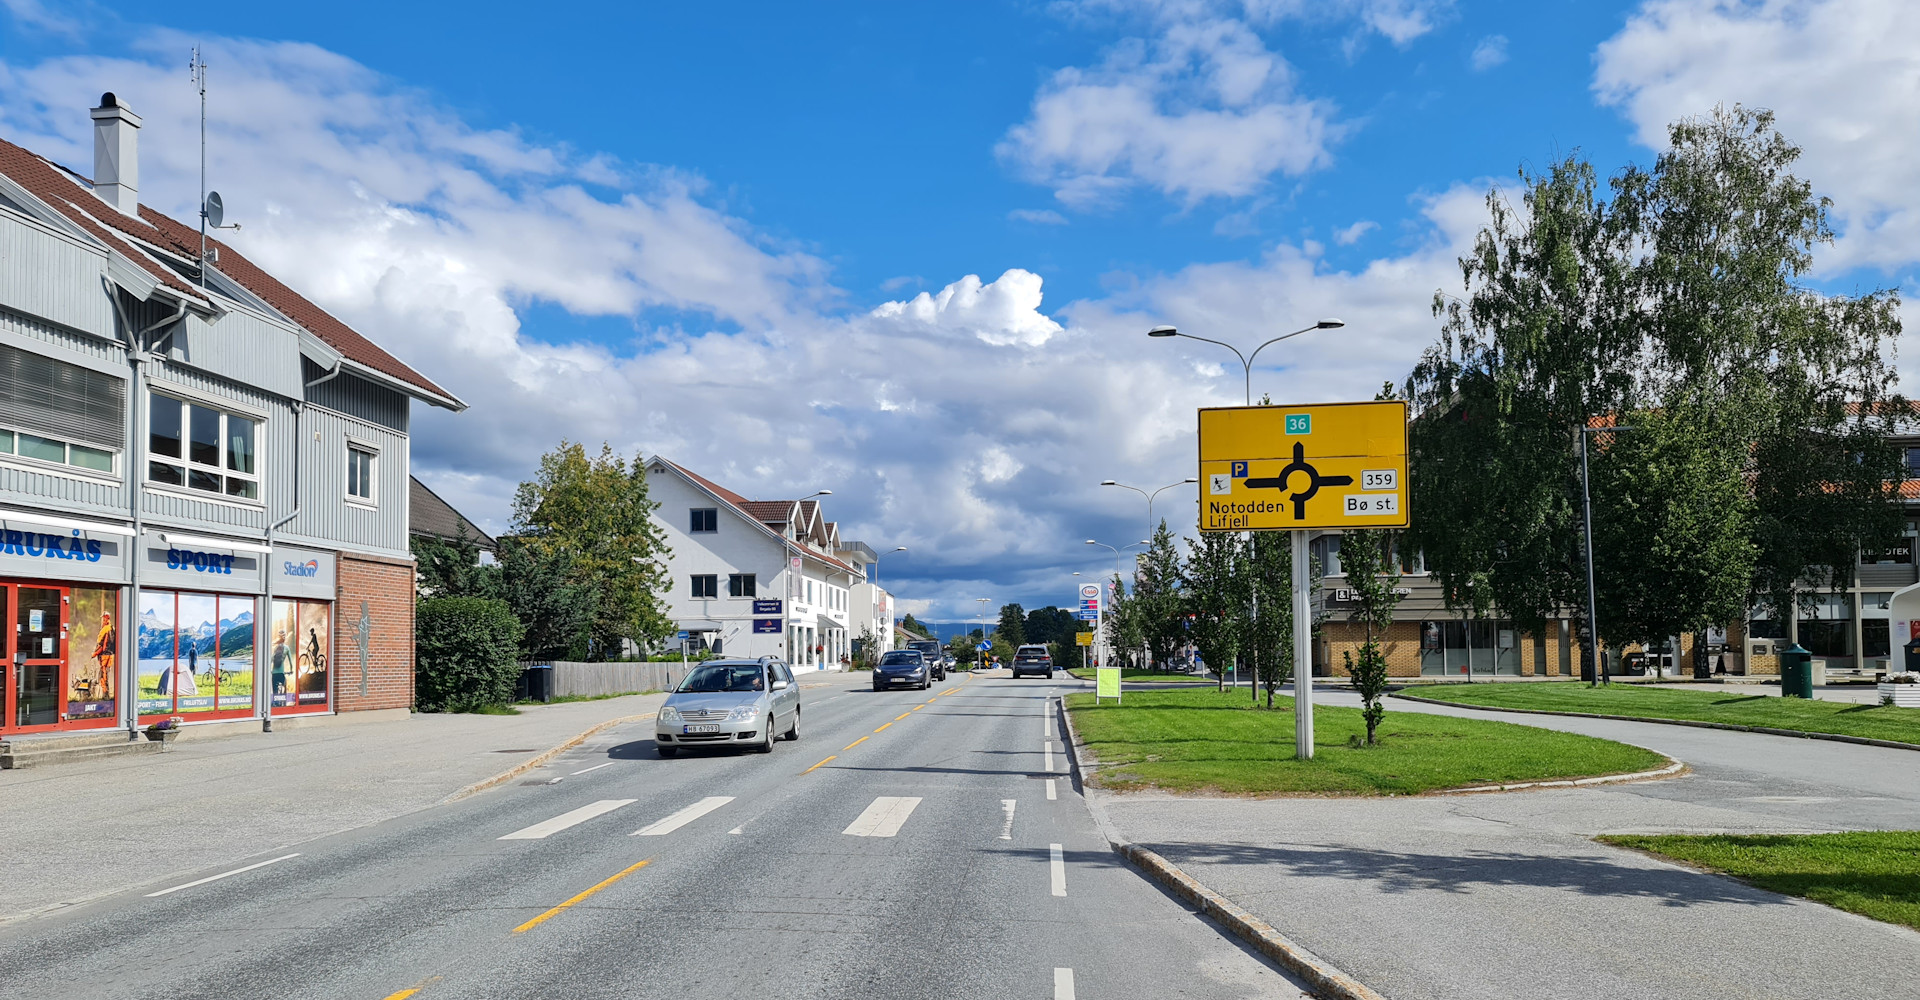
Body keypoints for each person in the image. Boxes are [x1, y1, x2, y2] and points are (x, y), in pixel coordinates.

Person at [92, 611, 116, 699]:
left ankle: (105, 695)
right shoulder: (112, 628)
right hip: (111, 656)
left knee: (103, 676)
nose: (102, 620)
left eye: (103, 618)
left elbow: (101, 644)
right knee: (106, 675)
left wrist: (94, 654)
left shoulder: (105, 629)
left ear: (106, 618)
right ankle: (107, 694)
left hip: (104, 656)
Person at [271, 630, 291, 697]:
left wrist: (269, 670)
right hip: (281, 673)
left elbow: (271, 659)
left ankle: (275, 700)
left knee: (275, 691)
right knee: (284, 685)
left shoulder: (276, 648)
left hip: (274, 674)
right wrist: (291, 670)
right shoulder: (286, 648)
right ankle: (284, 699)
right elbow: (290, 661)